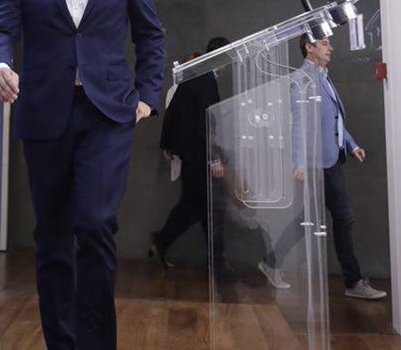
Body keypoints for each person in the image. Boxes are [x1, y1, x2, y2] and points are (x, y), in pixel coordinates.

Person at [0, 0, 165, 350]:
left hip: (108, 114)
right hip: (45, 112)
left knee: (95, 224)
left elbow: (150, 33)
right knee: (53, 234)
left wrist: (149, 93)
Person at [258, 35, 387, 299]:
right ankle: (353, 282)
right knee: (343, 217)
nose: (331, 47)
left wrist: (351, 145)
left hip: (330, 158)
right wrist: (298, 162)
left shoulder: (323, 75)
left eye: (329, 42)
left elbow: (333, 119)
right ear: (309, 47)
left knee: (309, 219)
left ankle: (271, 262)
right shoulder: (301, 80)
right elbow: (297, 125)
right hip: (318, 163)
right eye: (325, 43)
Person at [149, 36, 241, 280]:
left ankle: (167, 242)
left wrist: (167, 144)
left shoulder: (193, 78)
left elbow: (173, 112)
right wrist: (214, 159)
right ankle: (216, 263)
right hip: (200, 157)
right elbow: (206, 124)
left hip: (191, 155)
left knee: (198, 208)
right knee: (209, 209)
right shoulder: (207, 80)